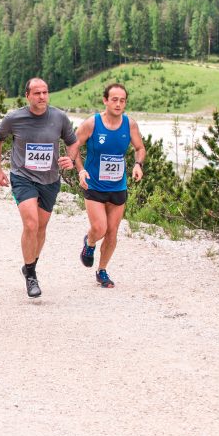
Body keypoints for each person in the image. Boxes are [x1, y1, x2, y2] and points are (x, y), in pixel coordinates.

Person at [0, 78, 79, 298]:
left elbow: (73, 141)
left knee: (41, 227)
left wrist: (71, 158)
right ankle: (31, 275)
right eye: (37, 93)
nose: (42, 97)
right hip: (23, 177)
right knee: (31, 223)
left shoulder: (59, 117)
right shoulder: (15, 118)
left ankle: (29, 264)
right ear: (28, 95)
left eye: (45, 92)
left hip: (50, 179)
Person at [74, 83, 146, 288]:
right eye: (114, 99)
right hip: (94, 184)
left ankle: (102, 270)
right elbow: (74, 146)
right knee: (100, 228)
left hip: (117, 186)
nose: (118, 104)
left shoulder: (129, 125)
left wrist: (138, 165)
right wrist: (81, 170)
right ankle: (89, 242)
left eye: (122, 100)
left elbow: (140, 148)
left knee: (112, 232)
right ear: (105, 100)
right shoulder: (92, 123)